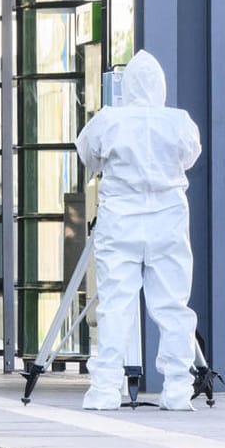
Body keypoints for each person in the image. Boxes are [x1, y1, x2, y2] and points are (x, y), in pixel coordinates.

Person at [74, 50, 203, 411]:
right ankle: (178, 387)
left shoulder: (109, 120)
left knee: (116, 305)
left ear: (127, 87)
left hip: (121, 221)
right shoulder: (179, 122)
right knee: (173, 305)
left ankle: (104, 389)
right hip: (168, 220)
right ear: (161, 86)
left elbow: (88, 156)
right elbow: (190, 158)